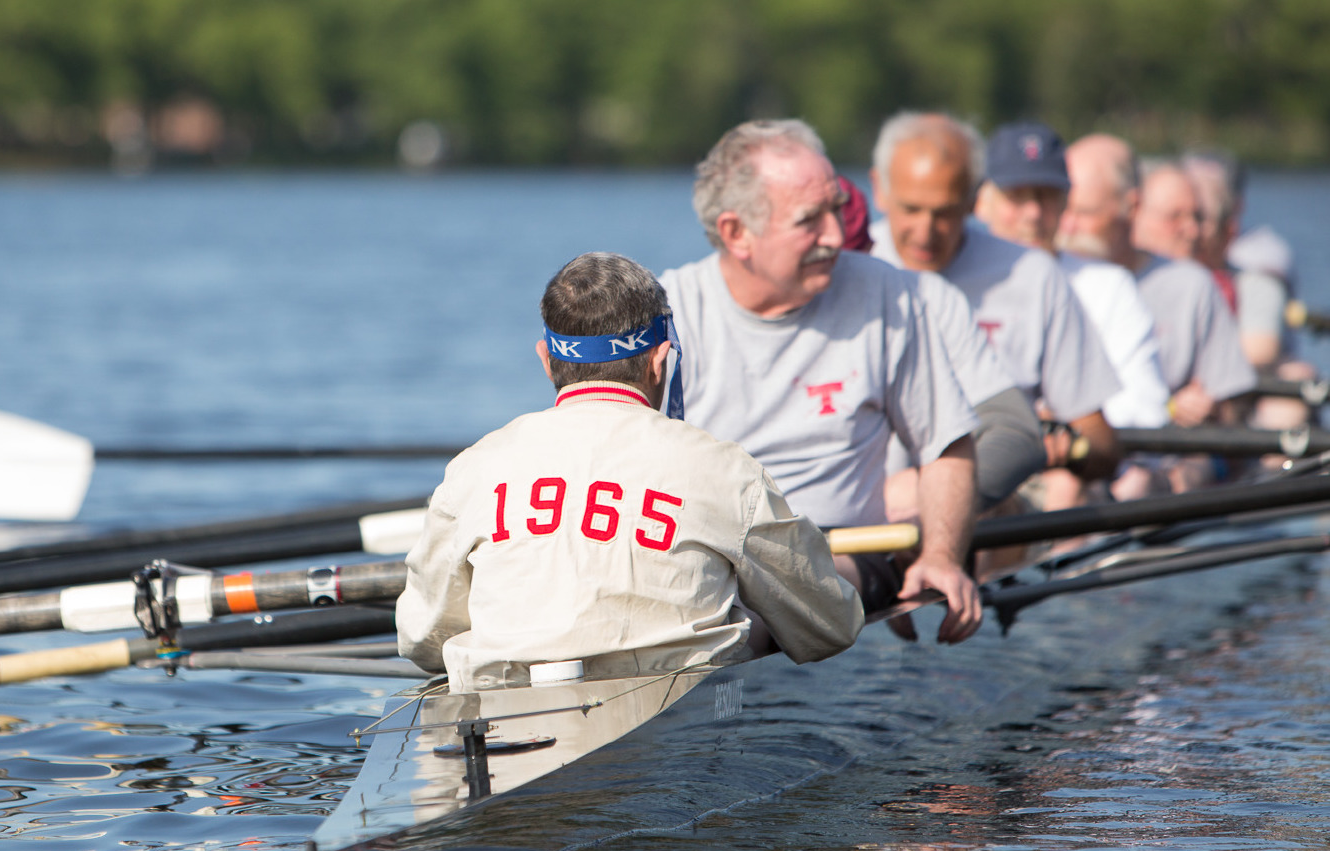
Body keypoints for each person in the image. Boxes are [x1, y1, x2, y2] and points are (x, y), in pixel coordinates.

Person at [397, 252, 865, 691]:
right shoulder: (724, 469)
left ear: (546, 359)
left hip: (497, 729)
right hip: (670, 722)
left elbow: (421, 638)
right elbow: (827, 627)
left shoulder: (474, 467)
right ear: (659, 362)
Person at [659, 119, 982, 643]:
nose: (837, 234)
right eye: (811, 219)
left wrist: (942, 557)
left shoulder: (886, 294)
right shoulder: (668, 312)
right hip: (703, 565)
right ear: (737, 233)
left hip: (847, 553)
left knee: (737, 608)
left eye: (836, 208)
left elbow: (948, 445)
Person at [867, 113, 1125, 497]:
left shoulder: (1031, 273)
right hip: (874, 490)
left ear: (974, 199)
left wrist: (1068, 449)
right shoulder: (849, 268)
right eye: (911, 209)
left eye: (944, 213)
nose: (924, 232)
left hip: (999, 494)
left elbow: (1103, 445)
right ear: (879, 190)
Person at [972, 121, 1169, 503]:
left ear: (1066, 202)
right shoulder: (949, 283)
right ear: (983, 202)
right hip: (974, 459)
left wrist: (1069, 421)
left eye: (1046, 196)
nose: (1032, 213)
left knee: (1070, 487)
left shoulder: (1108, 286)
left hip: (1069, 471)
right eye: (1017, 196)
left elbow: (1145, 410)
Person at [834, 174, 1045, 519]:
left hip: (888, 534)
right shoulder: (715, 307)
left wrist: (927, 498)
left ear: (868, 252)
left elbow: (1015, 434)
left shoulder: (925, 298)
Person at [1061, 135, 1254, 432]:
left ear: (1130, 207)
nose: (1068, 226)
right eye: (1065, 210)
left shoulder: (1191, 284)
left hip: (1164, 453)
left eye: (1085, 213)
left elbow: (1238, 403)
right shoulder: (1048, 278)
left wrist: (1212, 408)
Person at [1182, 151, 1314, 431]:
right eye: (1178, 215)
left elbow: (1259, 350)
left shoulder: (1261, 259)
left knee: (1295, 382)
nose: (1189, 230)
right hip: (1194, 394)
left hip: (1245, 396)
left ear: (1229, 227)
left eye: (1199, 217)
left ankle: (1270, 467)